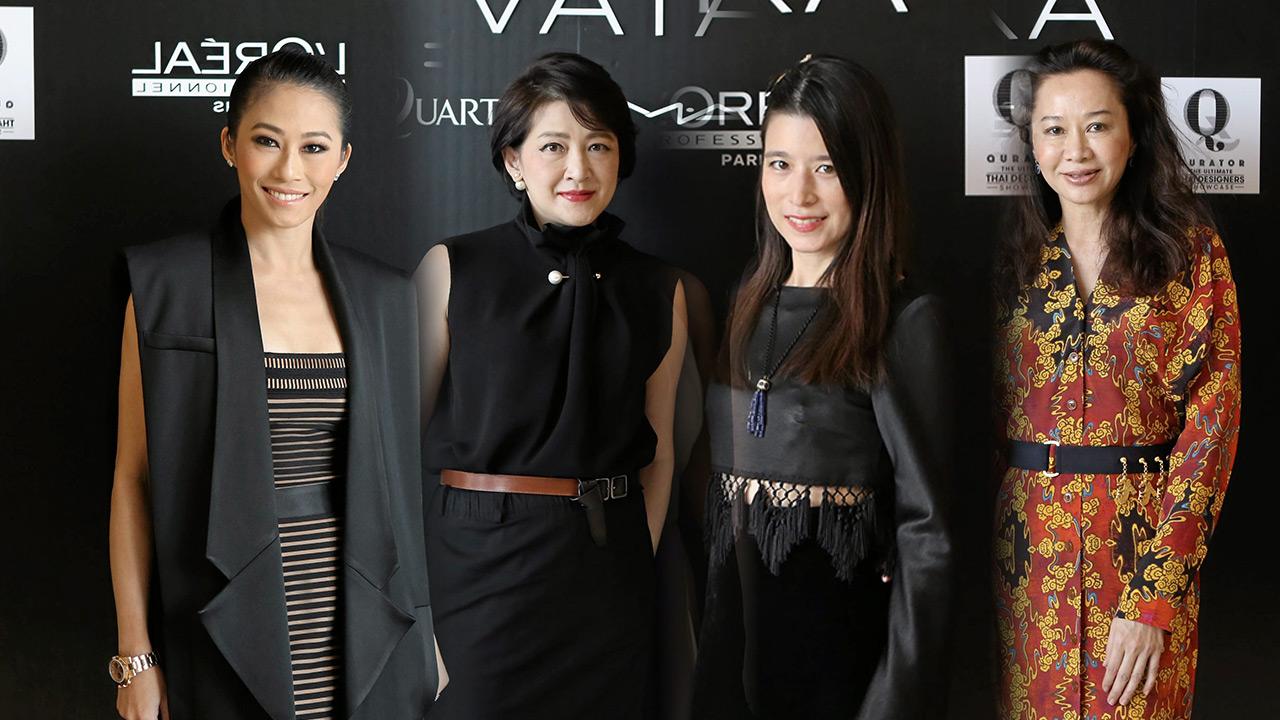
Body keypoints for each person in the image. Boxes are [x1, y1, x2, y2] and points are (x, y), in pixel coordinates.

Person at [109, 49, 439, 720]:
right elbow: (132, 480)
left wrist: (424, 630)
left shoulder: (384, 296)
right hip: (224, 622)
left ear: (342, 160)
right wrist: (134, 656)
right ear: (229, 144)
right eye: (267, 141)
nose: (290, 170)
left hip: (364, 626)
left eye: (314, 147)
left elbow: (401, 495)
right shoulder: (167, 287)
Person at [415, 52, 687, 718]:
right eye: (553, 146)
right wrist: (417, 608)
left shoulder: (659, 287)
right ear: (514, 160)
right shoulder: (452, 268)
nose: (578, 170)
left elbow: (661, 452)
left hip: (608, 586)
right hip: (476, 579)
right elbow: (391, 452)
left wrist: (632, 557)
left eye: (598, 146)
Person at [691, 54, 955, 720]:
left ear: (868, 174)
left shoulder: (901, 319)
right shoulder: (747, 302)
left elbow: (929, 533)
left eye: (828, 168)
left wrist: (894, 702)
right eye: (780, 164)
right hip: (731, 661)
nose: (799, 195)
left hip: (836, 662)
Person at [993, 39, 1242, 720]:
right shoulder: (1015, 260)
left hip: (1139, 551)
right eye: (1054, 129)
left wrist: (1155, 597)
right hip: (1024, 566)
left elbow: (1211, 431)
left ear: (1134, 136)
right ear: (1033, 143)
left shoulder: (1189, 255)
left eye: (1097, 126)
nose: (1075, 151)